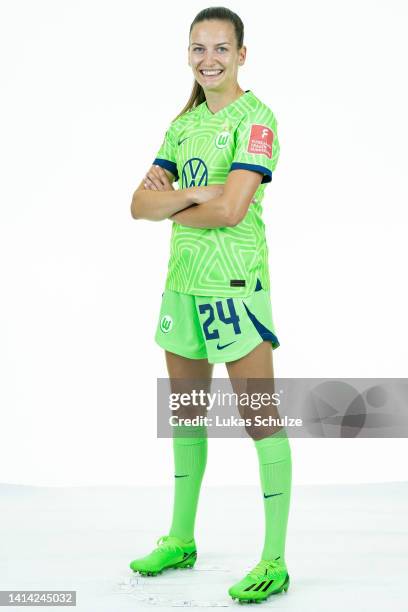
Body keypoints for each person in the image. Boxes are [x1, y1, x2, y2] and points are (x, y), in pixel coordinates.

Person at [129, 6, 292, 604]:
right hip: (183, 286)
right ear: (188, 55)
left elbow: (234, 210)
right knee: (188, 413)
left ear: (241, 54)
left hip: (235, 287)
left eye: (221, 48)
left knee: (258, 418)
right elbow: (137, 207)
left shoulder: (257, 120)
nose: (209, 59)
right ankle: (181, 538)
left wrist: (174, 200)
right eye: (198, 49)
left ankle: (274, 558)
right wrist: (197, 191)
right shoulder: (182, 125)